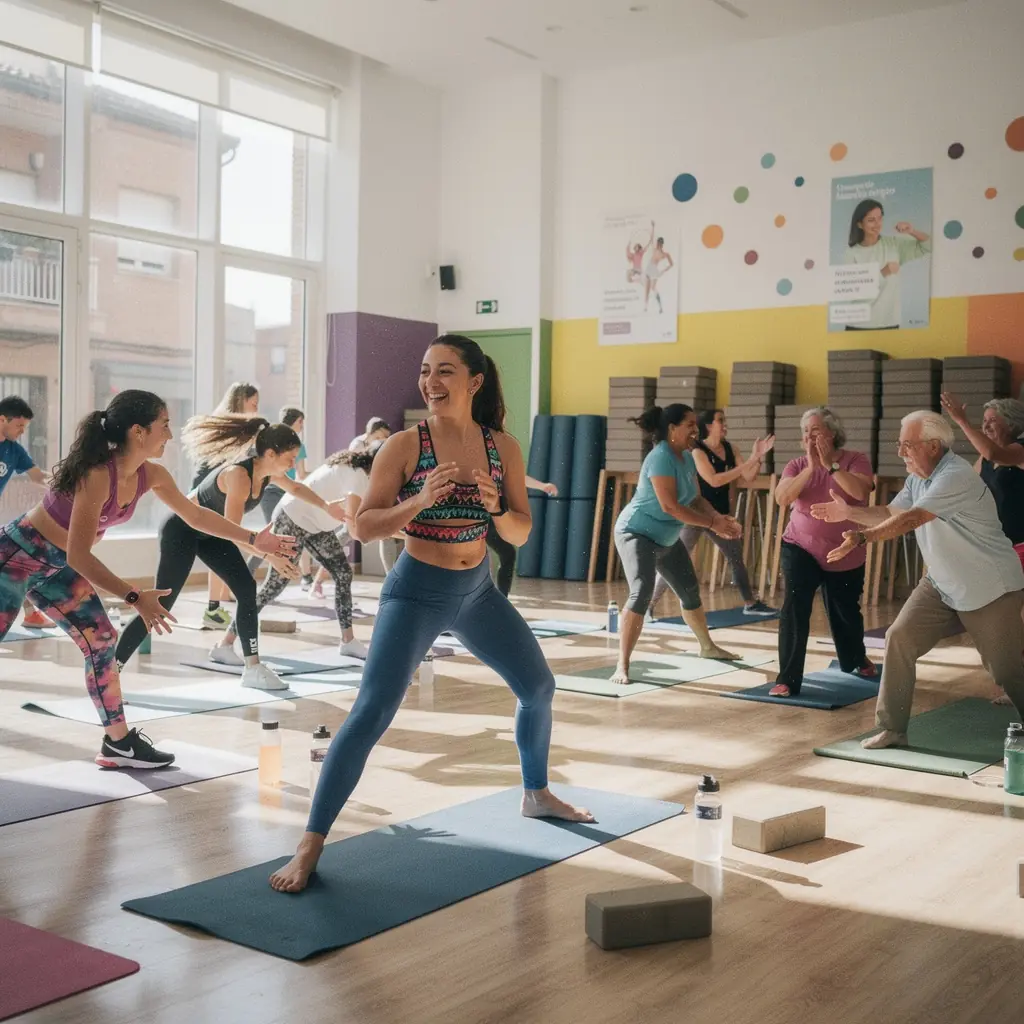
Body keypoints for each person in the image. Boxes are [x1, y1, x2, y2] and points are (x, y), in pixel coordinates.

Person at [269, 334, 593, 894]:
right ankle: (310, 843)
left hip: (477, 591)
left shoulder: (504, 448)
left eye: (444, 371)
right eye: (425, 371)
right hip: (415, 591)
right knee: (371, 712)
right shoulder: (404, 445)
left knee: (538, 686)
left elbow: (520, 529)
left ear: (474, 381)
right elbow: (363, 528)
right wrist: (420, 501)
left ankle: (536, 794)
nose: (430, 382)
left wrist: (495, 507)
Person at [0, 391, 294, 768]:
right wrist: (135, 595)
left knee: (102, 637)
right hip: (15, 557)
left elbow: (197, 516)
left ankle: (118, 743)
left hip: (57, 569)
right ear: (139, 432)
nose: (169, 435)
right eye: (165, 425)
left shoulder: (150, 475)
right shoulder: (95, 474)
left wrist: (254, 538)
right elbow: (80, 554)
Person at [813, 410, 1024, 747]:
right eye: (900, 445)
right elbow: (889, 513)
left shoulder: (954, 475)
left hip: (990, 586)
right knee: (899, 638)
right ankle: (893, 729)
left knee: (1006, 670)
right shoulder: (918, 478)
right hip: (941, 583)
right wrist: (849, 512)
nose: (901, 452)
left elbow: (912, 519)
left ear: (934, 446)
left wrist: (863, 537)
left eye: (907, 445)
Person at [115, 415, 346, 690]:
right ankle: (110, 672)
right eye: (290, 458)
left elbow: (295, 487)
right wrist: (271, 556)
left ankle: (252, 668)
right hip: (183, 530)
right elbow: (234, 532)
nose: (293, 464)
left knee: (247, 588)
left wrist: (326, 506)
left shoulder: (268, 472)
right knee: (160, 604)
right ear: (271, 454)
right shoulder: (239, 476)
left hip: (213, 533)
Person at [611, 404, 743, 686]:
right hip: (636, 533)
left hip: (666, 538)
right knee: (642, 591)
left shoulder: (685, 457)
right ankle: (622, 665)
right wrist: (711, 524)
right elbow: (670, 506)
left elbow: (695, 499)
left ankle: (707, 647)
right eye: (690, 424)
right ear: (672, 429)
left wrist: (719, 518)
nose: (696, 429)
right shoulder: (660, 458)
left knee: (690, 592)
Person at [224, 444, 379, 660]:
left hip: (315, 525)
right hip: (292, 517)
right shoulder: (359, 477)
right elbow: (353, 527)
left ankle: (348, 641)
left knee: (343, 573)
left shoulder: (358, 472)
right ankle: (226, 642)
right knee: (273, 587)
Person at [770, 407, 876, 698]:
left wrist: (830, 465)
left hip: (844, 549)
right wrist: (810, 468)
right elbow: (782, 497)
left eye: (815, 430)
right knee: (794, 606)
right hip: (799, 545)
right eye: (806, 431)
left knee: (845, 611)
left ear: (832, 433)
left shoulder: (856, 459)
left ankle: (856, 657)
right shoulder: (796, 464)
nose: (809, 436)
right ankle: (787, 679)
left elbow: (859, 493)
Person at [649, 409, 775, 619]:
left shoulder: (730, 448)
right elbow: (713, 480)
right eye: (720, 421)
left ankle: (750, 604)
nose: (725, 424)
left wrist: (758, 457)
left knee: (735, 557)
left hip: (718, 515)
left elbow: (749, 476)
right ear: (709, 426)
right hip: (696, 514)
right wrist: (748, 460)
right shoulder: (697, 451)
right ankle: (649, 604)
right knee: (675, 560)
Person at [200, 382, 260, 627]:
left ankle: (217, 604)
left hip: (221, 488)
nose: (256, 409)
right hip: (212, 490)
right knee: (221, 543)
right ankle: (213, 608)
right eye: (253, 404)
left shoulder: (241, 429)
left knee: (222, 544)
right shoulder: (230, 428)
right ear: (241, 402)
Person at [940, 394, 1024, 566]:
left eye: (992, 420)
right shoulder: (984, 458)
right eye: (984, 420)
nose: (985, 426)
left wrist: (963, 422)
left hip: (1019, 545)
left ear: (1011, 423)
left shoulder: (1019, 449)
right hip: (993, 544)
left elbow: (994, 454)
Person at [0, 396, 55, 629]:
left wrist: (66, 484)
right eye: (19, 425)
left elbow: (37, 476)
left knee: (16, 560)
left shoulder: (14, 451)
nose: (22, 431)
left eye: (25, 427)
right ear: (2, 419)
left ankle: (31, 613)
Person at [843, 200, 931, 330]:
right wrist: (884, 272)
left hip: (889, 323)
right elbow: (855, 291)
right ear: (860, 224)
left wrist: (912, 231)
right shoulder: (852, 253)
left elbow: (928, 246)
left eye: (880, 218)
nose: (878, 224)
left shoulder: (893, 244)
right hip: (858, 325)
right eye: (871, 220)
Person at [485, 475, 559, 597]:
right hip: (478, 516)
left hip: (492, 518)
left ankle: (501, 598)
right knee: (490, 558)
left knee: (508, 554)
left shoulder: (501, 464)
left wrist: (543, 486)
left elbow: (518, 477)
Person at [644, 236, 674, 314]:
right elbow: (651, 238)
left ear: (662, 244)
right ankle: (646, 307)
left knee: (653, 288)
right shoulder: (655, 249)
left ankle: (660, 307)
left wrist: (663, 271)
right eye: (658, 243)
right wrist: (653, 227)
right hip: (649, 268)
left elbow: (671, 264)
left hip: (653, 270)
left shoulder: (665, 254)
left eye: (659, 243)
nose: (658, 244)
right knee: (648, 288)